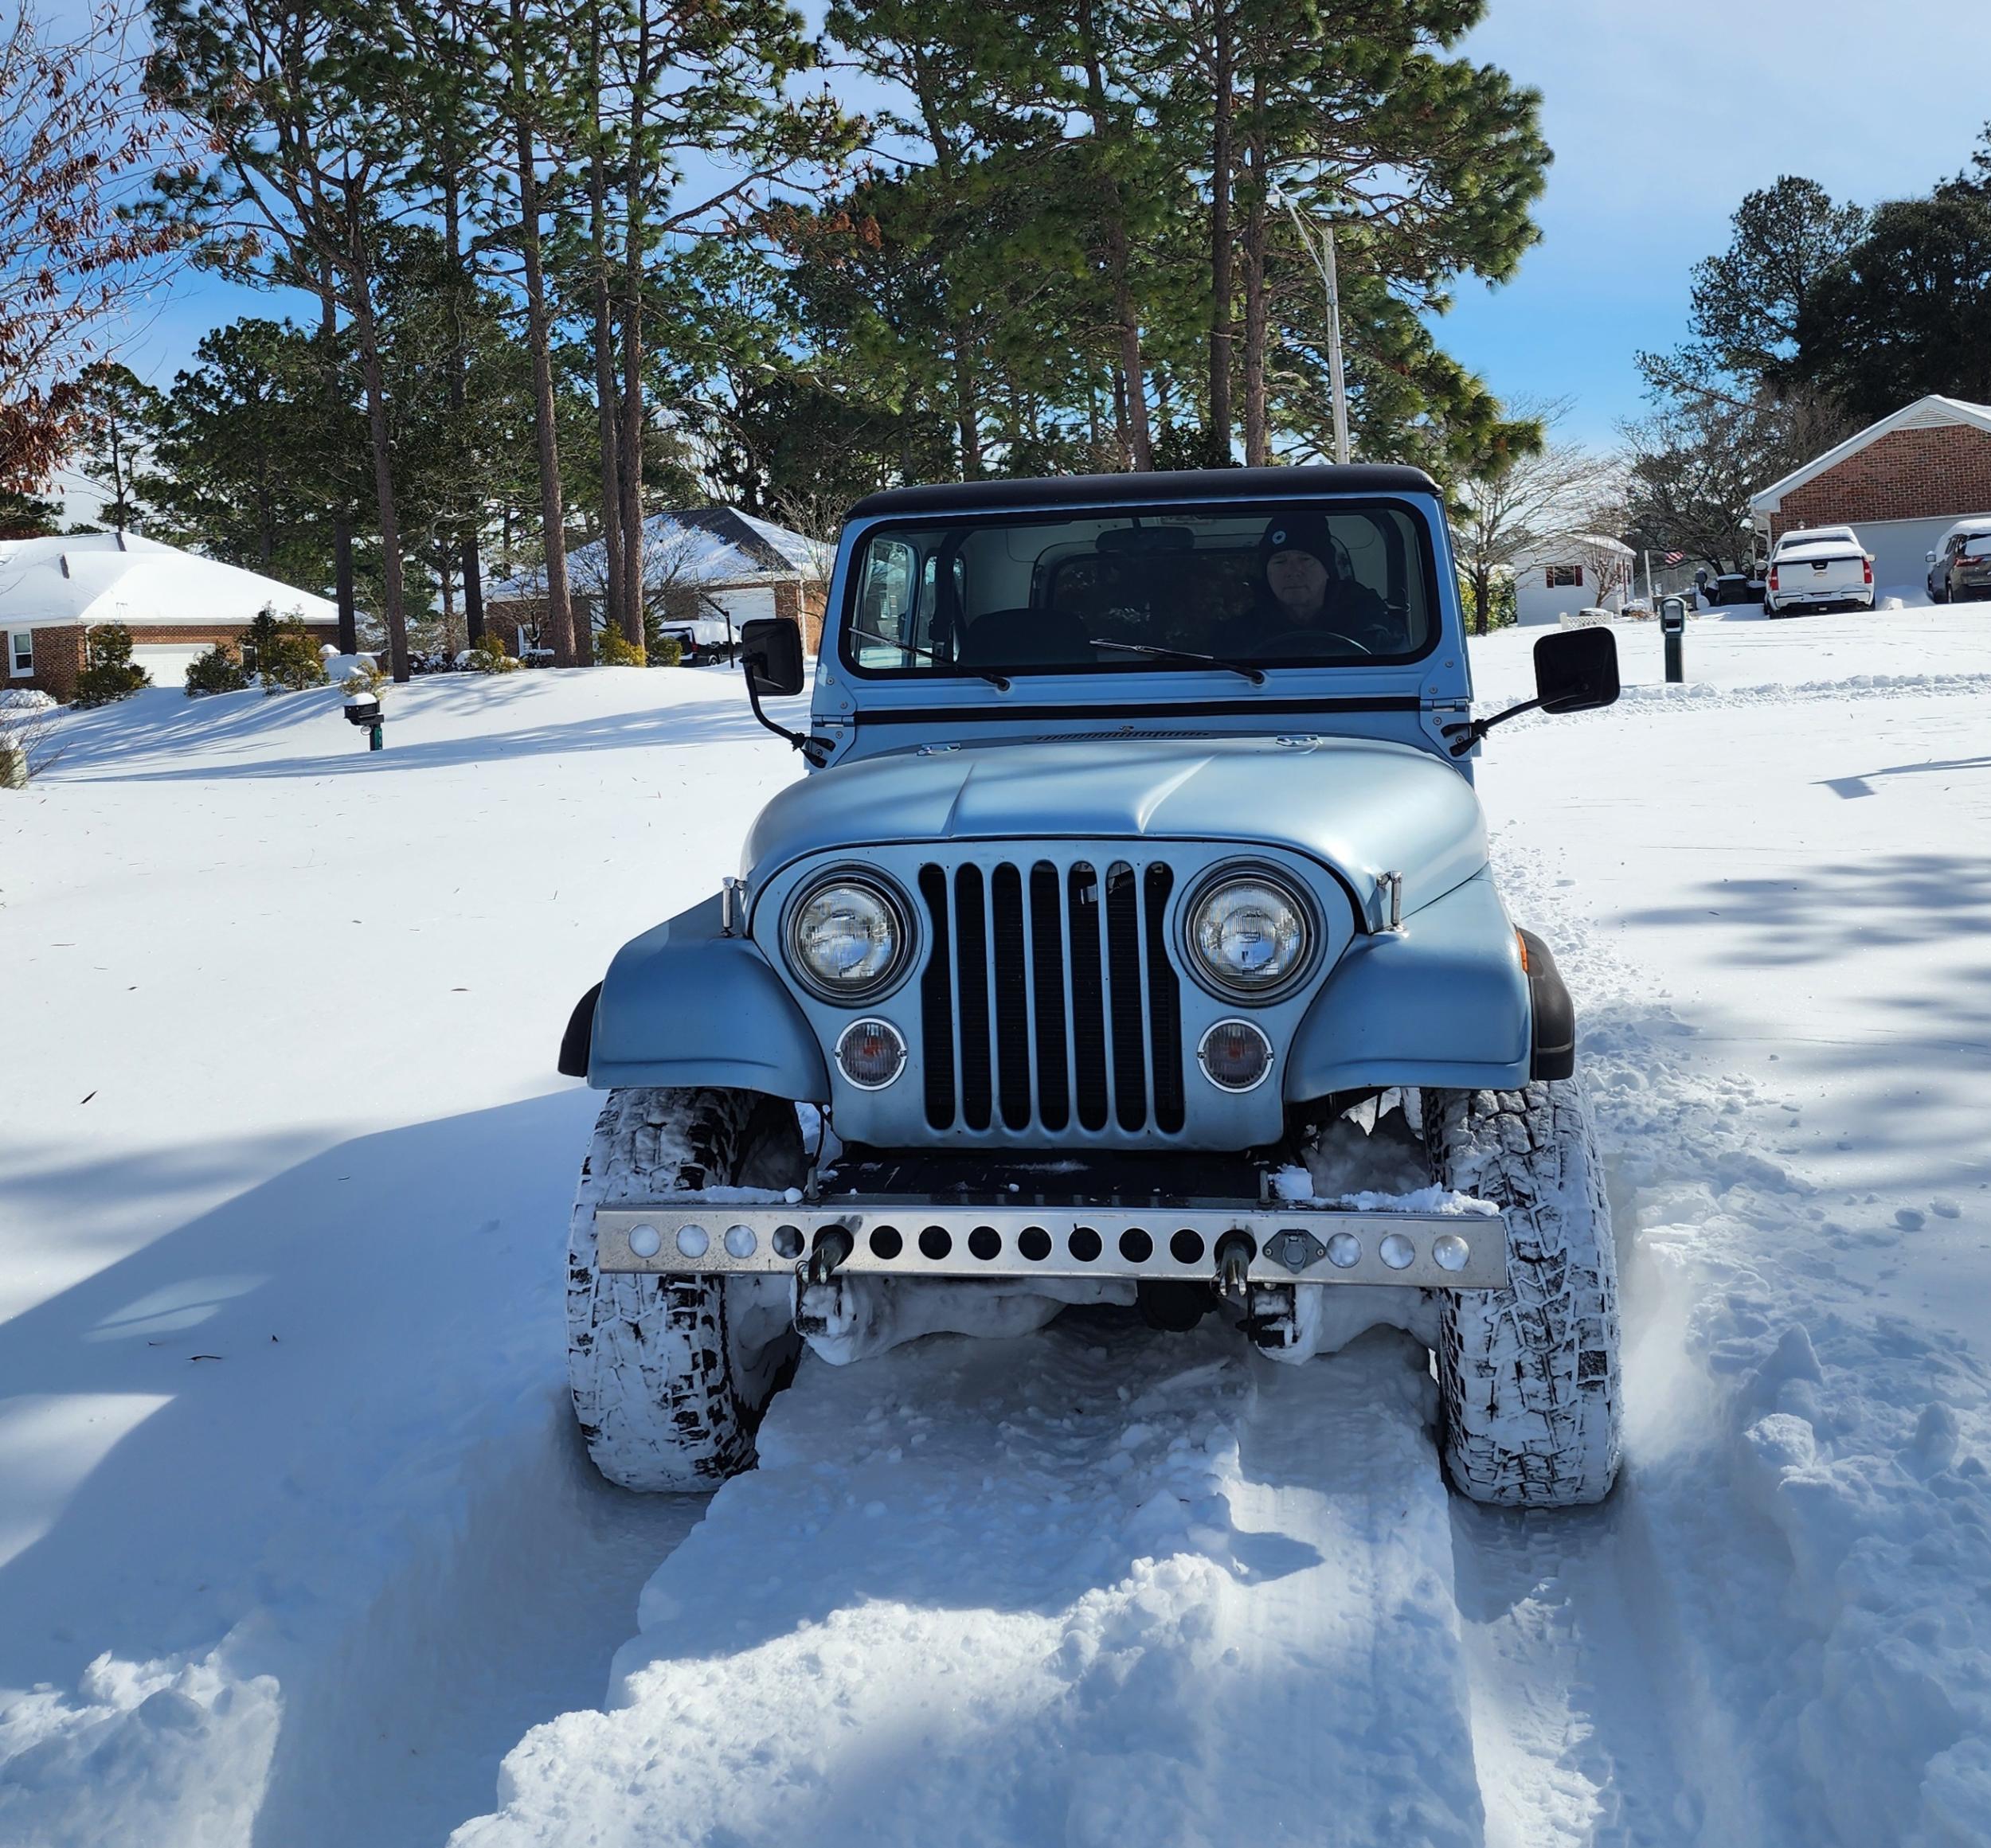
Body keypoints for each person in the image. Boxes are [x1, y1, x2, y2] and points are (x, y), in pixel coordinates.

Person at [1224, 514, 1399, 658]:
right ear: (1266, 573)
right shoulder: (1237, 637)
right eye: (1280, 562)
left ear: (1327, 569)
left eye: (1305, 559)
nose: (1293, 571)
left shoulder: (1375, 630)